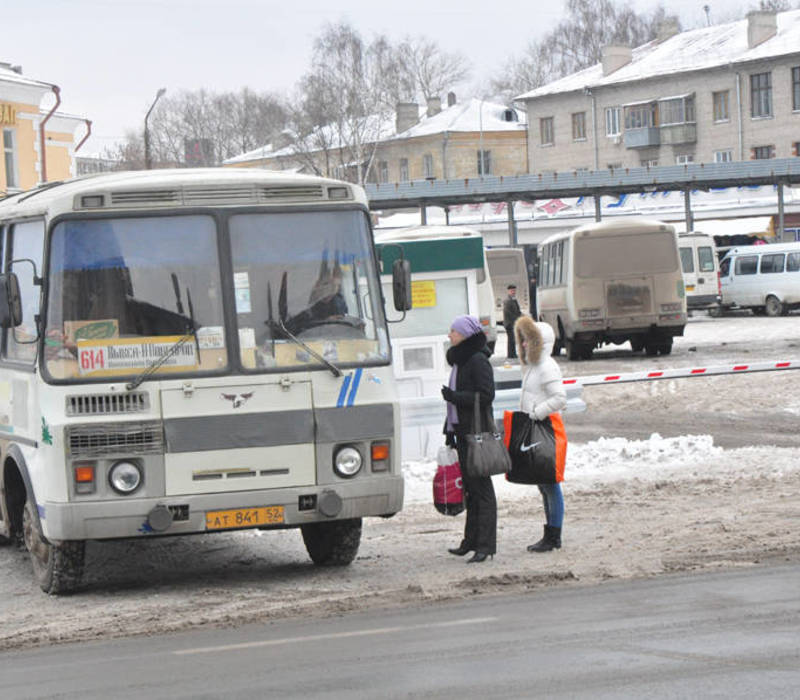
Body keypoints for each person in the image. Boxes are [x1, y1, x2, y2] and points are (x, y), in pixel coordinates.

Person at [441, 315, 497, 563]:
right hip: (463, 432)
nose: (450, 335)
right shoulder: (461, 361)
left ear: (464, 334)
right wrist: (450, 431)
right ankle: (470, 541)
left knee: (482, 490)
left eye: (453, 331)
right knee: (471, 491)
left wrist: (455, 397)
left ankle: (486, 546)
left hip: (478, 433)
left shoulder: (477, 360)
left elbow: (486, 395)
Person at [514, 315, 567, 552]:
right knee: (544, 484)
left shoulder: (546, 367)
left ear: (539, 342)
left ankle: (554, 536)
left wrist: (536, 413)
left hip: (545, 430)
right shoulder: (533, 367)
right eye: (522, 340)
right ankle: (550, 533)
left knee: (550, 483)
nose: (523, 344)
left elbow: (560, 398)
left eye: (528, 340)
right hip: (535, 430)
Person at [503, 284, 522, 360]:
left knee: (512, 339)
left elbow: (517, 311)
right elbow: (508, 313)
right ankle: (511, 354)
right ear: (508, 291)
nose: (513, 292)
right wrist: (516, 319)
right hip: (510, 323)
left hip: (513, 322)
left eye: (514, 290)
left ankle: (512, 353)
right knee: (511, 339)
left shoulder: (514, 300)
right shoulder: (508, 300)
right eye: (512, 290)